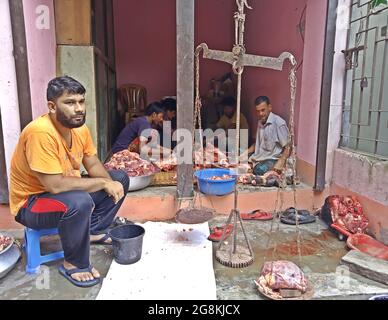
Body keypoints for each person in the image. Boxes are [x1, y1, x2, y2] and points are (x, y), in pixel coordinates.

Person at [9, 76, 129, 287]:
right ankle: (74, 263)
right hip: (31, 203)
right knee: (79, 201)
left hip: (63, 192)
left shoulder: (80, 129)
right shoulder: (40, 132)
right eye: (70, 103)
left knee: (119, 178)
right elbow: (54, 186)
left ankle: (92, 231)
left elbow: (92, 165)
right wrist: (102, 184)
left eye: (81, 102)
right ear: (52, 106)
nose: (79, 108)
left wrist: (110, 183)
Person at [240, 96, 290, 176]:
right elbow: (257, 144)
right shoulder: (260, 122)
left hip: (271, 159)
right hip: (258, 157)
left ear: (269, 107)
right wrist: (244, 153)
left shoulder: (279, 123)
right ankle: (250, 166)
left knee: (259, 170)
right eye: (258, 111)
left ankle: (252, 169)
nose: (260, 114)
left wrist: (281, 162)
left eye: (263, 110)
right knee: (239, 151)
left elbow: (288, 146)